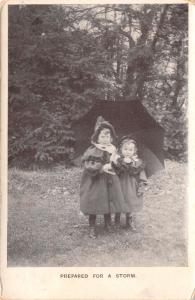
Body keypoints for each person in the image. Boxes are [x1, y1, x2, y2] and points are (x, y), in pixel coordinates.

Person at [80, 116, 127, 238]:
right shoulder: (93, 150)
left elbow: (118, 166)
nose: (105, 139)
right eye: (102, 136)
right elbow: (88, 165)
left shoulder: (113, 150)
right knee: (94, 202)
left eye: (107, 136)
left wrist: (116, 162)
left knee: (108, 200)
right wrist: (101, 167)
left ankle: (108, 223)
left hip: (110, 180)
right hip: (96, 181)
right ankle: (92, 226)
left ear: (111, 137)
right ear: (97, 138)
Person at [112, 136, 147, 232]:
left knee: (130, 202)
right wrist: (116, 162)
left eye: (130, 150)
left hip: (131, 186)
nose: (127, 151)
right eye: (125, 149)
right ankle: (116, 221)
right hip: (120, 185)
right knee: (119, 201)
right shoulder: (118, 160)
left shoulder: (137, 162)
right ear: (121, 150)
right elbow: (114, 172)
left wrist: (142, 184)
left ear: (134, 151)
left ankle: (129, 222)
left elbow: (141, 173)